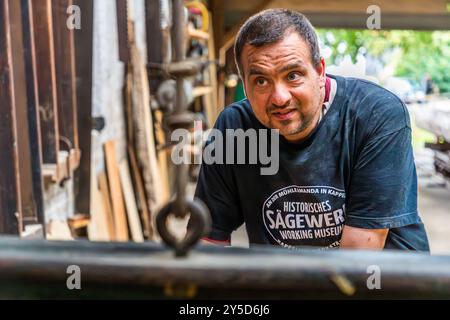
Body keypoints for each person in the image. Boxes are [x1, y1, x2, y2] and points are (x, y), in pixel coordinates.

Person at [193, 9, 429, 251]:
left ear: (319, 71)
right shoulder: (235, 128)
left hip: (385, 280)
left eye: (293, 75)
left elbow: (359, 256)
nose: (279, 97)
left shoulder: (376, 114)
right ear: (244, 83)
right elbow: (208, 240)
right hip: (286, 282)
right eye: (261, 81)